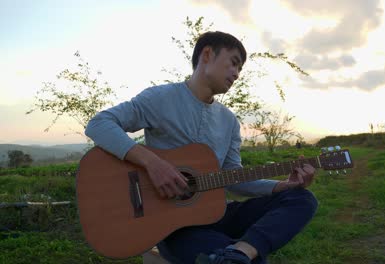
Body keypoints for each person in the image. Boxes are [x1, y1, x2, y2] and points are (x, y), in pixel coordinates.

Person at [85, 31, 318, 264]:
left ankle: (243, 250)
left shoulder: (229, 121)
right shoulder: (160, 98)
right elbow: (99, 124)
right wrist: (153, 164)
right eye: (234, 63)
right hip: (173, 227)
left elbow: (234, 178)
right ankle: (237, 255)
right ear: (207, 54)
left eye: (240, 69)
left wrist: (282, 185)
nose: (237, 74)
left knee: (302, 199)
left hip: (218, 213)